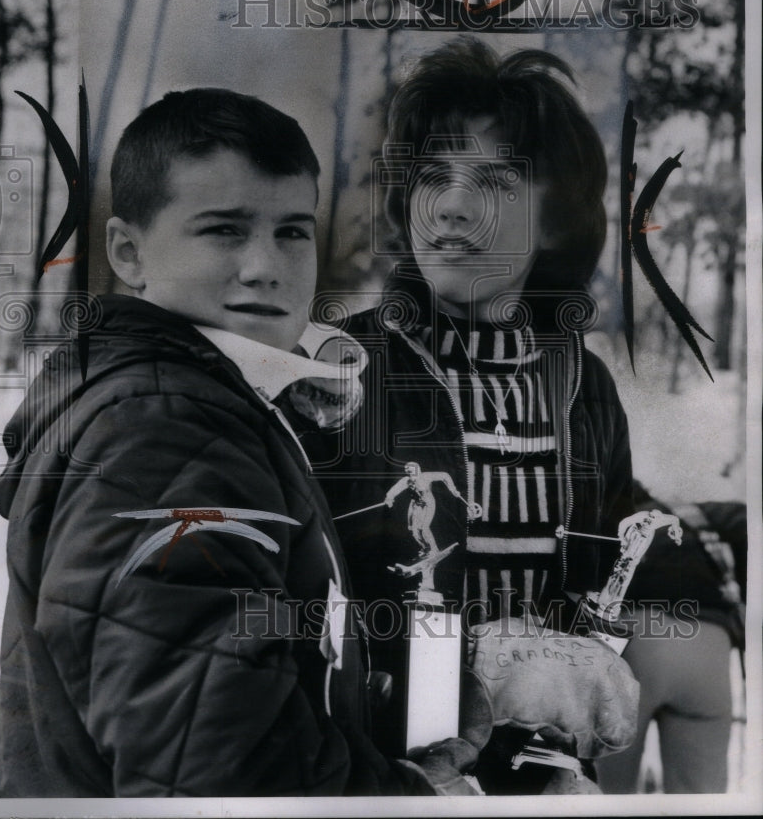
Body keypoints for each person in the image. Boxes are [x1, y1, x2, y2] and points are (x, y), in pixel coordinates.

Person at [0, 88, 484, 797]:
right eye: (224, 230)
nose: (265, 266)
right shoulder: (162, 432)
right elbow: (217, 776)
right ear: (128, 252)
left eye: (292, 231)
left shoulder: (203, 399)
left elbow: (224, 681)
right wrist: (417, 802)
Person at [307, 38, 640, 792]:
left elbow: (605, 584)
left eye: (494, 180)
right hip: (375, 778)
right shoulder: (336, 371)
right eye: (433, 177)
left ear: (554, 216)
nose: (452, 206)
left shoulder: (584, 389)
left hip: (543, 779)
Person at [596, 484, 746, 794]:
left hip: (630, 644)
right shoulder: (704, 516)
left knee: (605, 791)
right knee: (700, 796)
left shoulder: (612, 517)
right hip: (707, 646)